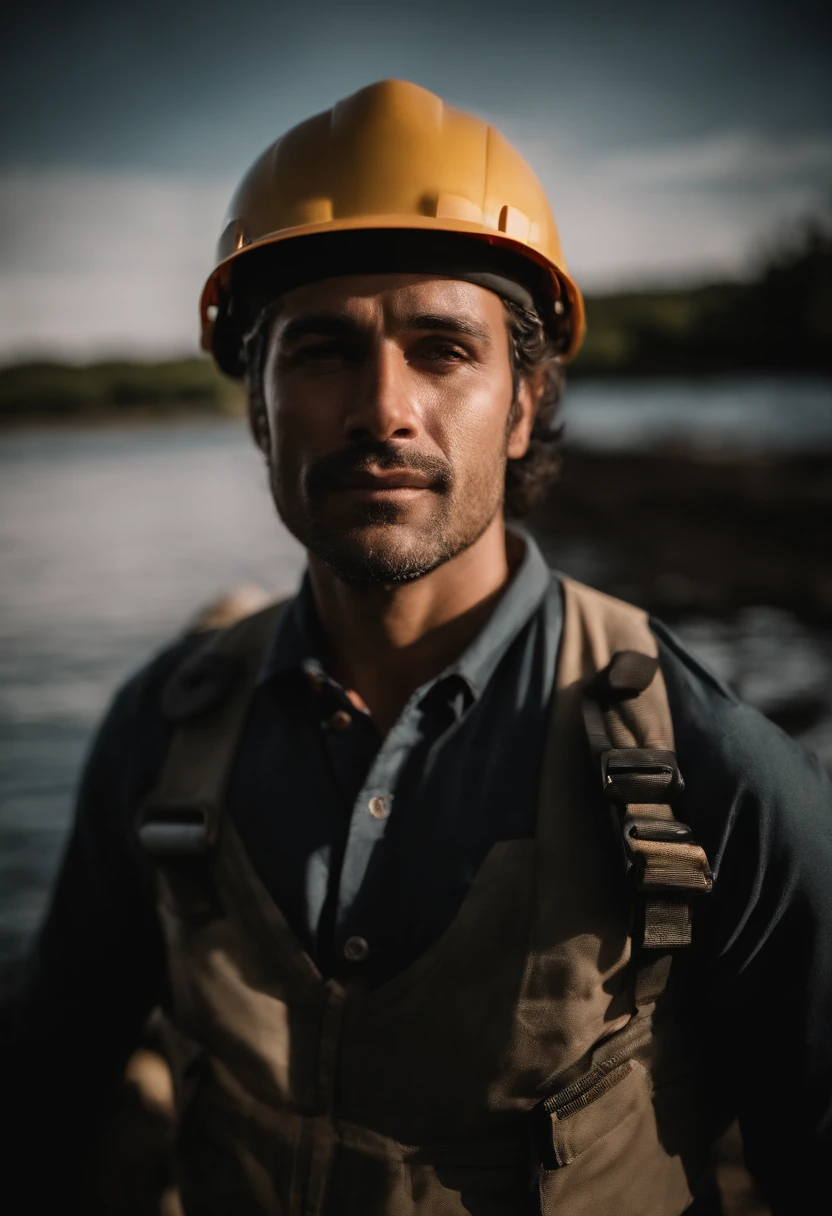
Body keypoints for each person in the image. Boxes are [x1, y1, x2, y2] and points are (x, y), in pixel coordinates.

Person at [6, 80, 831, 1215]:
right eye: (321, 352)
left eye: (442, 347)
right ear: (258, 408)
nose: (381, 407)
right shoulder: (160, 732)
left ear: (527, 404)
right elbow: (45, 1101)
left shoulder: (712, 766)